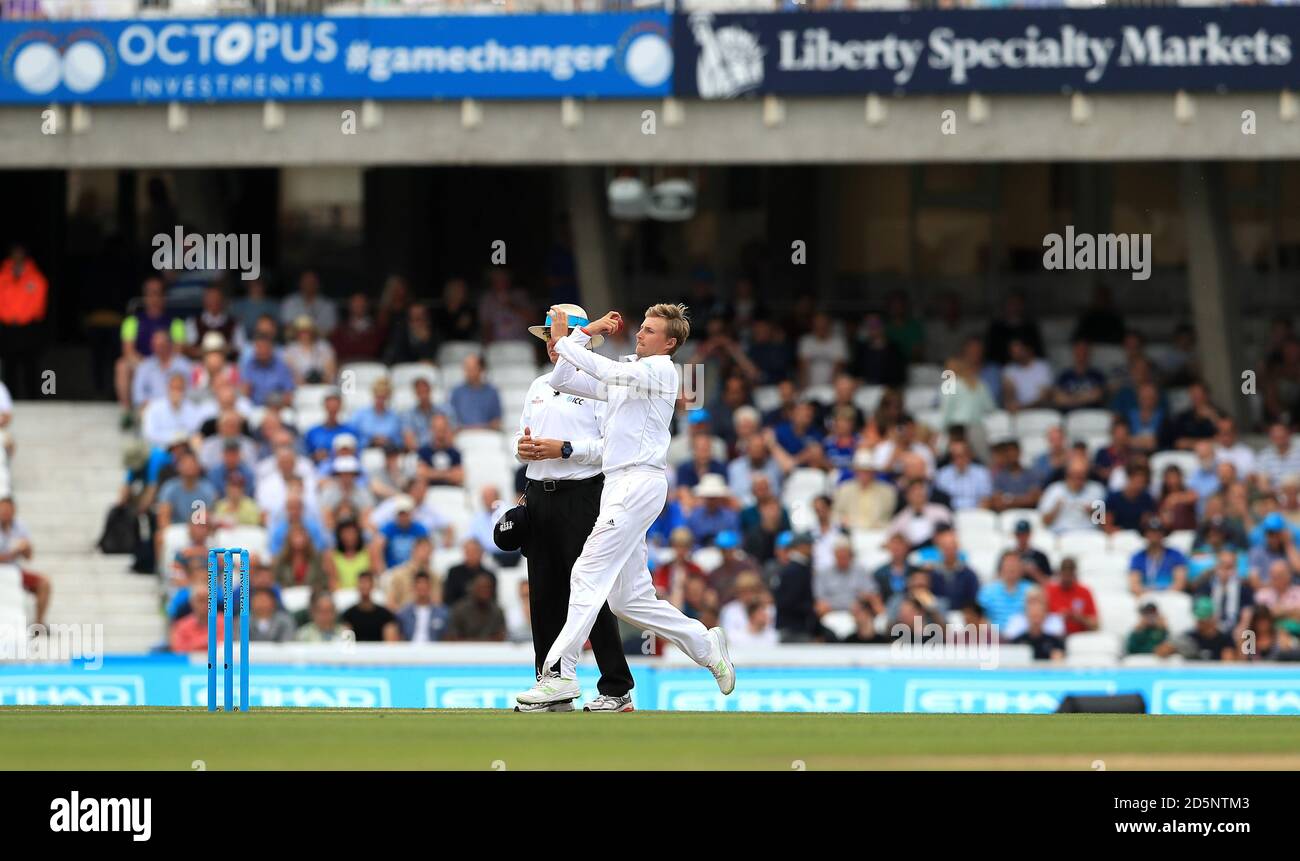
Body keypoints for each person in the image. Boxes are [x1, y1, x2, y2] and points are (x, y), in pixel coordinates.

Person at [516, 303, 736, 708]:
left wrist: (569, 338)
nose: (641, 334)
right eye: (643, 327)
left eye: (651, 331)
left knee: (585, 573)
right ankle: (705, 644)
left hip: (638, 480)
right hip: (617, 483)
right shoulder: (631, 367)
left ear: (669, 343)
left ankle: (559, 675)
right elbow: (566, 378)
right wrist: (580, 337)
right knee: (627, 599)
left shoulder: (659, 370)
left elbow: (607, 372)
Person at [510, 303, 634, 712]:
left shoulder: (603, 385)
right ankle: (551, 683)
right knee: (544, 594)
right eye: (548, 336)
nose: (550, 344)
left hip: (582, 496)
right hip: (539, 493)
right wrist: (525, 449)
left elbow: (609, 450)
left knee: (589, 592)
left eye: (557, 335)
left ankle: (616, 687)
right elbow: (524, 440)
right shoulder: (539, 386)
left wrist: (564, 450)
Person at [0, 497, 51, 626]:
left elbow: (29, 557)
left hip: (14, 572)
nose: (5, 513)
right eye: (3, 510)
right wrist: (12, 553)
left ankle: (39, 623)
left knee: (44, 583)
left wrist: (25, 548)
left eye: (8, 510)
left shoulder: (19, 526)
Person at [445, 572, 507, 642]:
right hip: (463, 651)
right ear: (473, 589)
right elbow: (452, 637)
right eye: (481, 588)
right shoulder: (459, 609)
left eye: (488, 588)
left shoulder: (497, 611)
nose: (485, 591)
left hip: (491, 651)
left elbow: (501, 637)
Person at [340, 572, 400, 642]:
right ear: (357, 586)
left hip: (380, 652)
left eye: (367, 582)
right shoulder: (348, 615)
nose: (364, 586)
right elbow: (347, 644)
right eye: (361, 582)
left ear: (372, 585)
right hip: (356, 652)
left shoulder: (385, 615)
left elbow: (391, 644)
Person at [397, 571, 450, 642]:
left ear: (430, 587)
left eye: (425, 584)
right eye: (419, 583)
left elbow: (447, 637)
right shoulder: (403, 613)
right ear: (413, 587)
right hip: (409, 650)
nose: (422, 586)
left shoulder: (442, 613)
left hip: (434, 650)